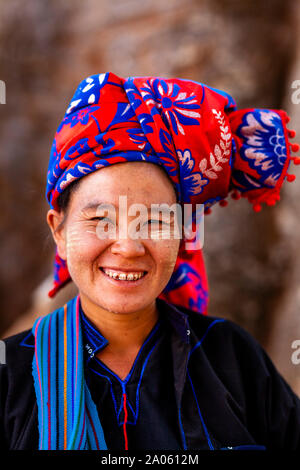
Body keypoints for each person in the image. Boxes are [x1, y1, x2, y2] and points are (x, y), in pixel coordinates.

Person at [1, 73, 300, 451]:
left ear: (183, 234)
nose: (128, 246)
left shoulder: (231, 356)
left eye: (155, 221)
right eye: (101, 220)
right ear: (59, 231)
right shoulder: (10, 375)